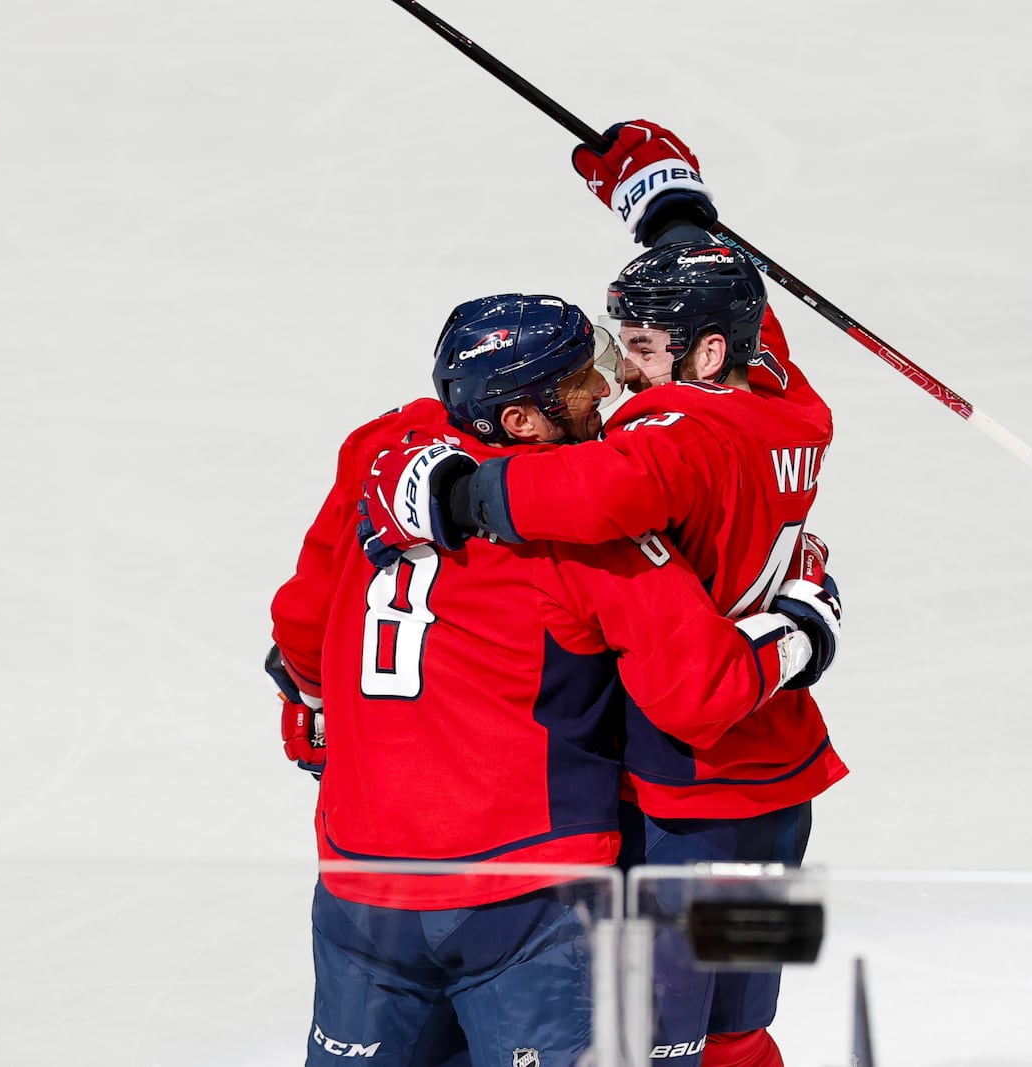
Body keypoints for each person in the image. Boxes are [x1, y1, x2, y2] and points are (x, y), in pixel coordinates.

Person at [358, 121, 846, 1067]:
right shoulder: (790, 404)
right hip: (783, 785)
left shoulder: (670, 444)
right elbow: (738, 305)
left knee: (654, 1044)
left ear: (704, 356)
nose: (621, 373)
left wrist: (448, 491)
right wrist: (675, 215)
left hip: (683, 800)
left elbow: (584, 492)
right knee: (743, 1026)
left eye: (639, 347)